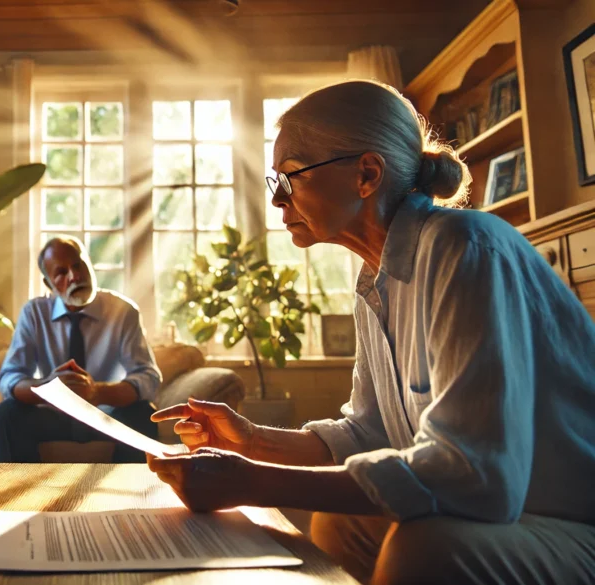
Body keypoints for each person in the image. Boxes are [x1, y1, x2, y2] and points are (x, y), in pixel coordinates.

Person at [147, 81, 595, 585]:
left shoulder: (466, 248)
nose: (277, 200)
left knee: (424, 549)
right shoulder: (375, 280)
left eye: (290, 177)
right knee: (339, 523)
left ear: (366, 174)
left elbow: (474, 475)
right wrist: (251, 441)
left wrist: (252, 483)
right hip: (510, 521)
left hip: (573, 526)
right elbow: (368, 433)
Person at [0, 235, 162, 463]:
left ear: (89, 265)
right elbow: (9, 377)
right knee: (6, 414)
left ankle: (131, 486)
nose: (75, 276)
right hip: (54, 416)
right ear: (49, 285)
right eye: (61, 272)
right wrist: (48, 388)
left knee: (143, 414)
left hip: (106, 415)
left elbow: (148, 377)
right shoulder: (34, 313)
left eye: (78, 265)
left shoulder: (123, 311)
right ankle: (22, 486)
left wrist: (97, 392)